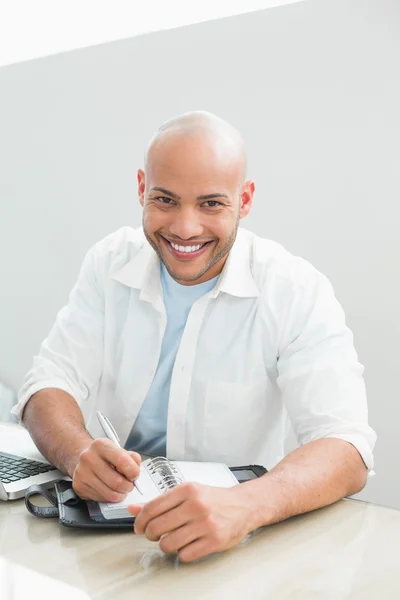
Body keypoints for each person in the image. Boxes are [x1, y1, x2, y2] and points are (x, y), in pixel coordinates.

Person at [13, 111, 376, 563]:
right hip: (103, 536)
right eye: (165, 200)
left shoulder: (296, 289)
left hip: (237, 541)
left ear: (244, 200)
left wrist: (246, 505)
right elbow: (48, 384)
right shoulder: (108, 263)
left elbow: (346, 447)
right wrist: (78, 453)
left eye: (210, 204)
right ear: (142, 188)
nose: (185, 228)